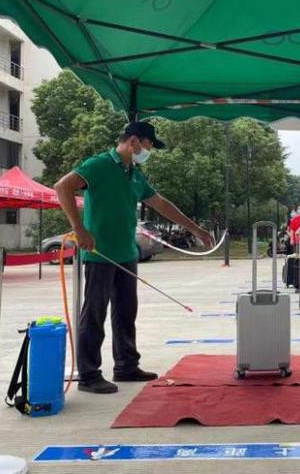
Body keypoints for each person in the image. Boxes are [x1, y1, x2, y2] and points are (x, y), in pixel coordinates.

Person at [55, 121, 213, 394]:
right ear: (134, 141)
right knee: (94, 315)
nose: (149, 151)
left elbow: (162, 204)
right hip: (100, 254)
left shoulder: (135, 175)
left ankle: (126, 366)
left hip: (127, 254)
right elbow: (62, 187)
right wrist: (79, 229)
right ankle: (89, 374)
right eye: (149, 145)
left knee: (126, 313)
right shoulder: (99, 165)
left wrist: (195, 229)